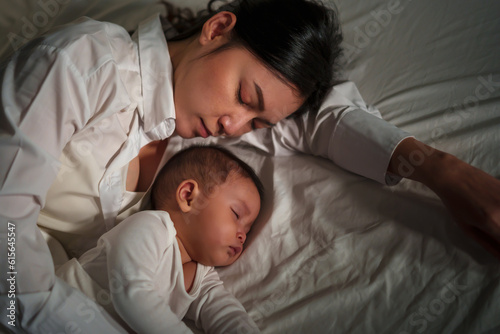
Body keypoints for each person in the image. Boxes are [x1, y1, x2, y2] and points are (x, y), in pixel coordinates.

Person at [0, 0, 499, 332]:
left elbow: (323, 121)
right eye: (244, 96)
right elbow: (8, 253)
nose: (234, 125)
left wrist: (439, 169)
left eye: (257, 119)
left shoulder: (194, 146)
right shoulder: (85, 63)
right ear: (217, 29)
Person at [56, 145, 263, 333]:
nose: (242, 235)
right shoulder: (150, 227)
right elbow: (131, 292)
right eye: (236, 214)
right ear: (189, 196)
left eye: (248, 229)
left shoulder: (205, 278)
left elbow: (228, 317)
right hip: (57, 311)